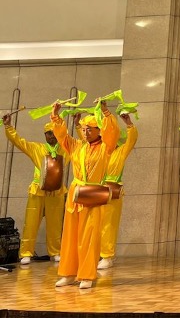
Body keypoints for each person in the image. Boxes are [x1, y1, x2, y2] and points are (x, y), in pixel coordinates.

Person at [51, 99, 118, 289]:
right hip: (76, 194)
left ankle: (87, 275)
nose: (86, 132)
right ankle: (68, 273)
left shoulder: (106, 148)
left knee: (89, 237)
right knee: (70, 236)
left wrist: (105, 112)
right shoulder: (77, 146)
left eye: (90, 129)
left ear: (98, 130)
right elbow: (62, 136)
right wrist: (56, 116)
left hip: (94, 194)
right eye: (84, 129)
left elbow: (112, 134)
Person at [2, 114, 68, 264]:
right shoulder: (36, 148)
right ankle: (26, 253)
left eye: (55, 133)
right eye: (49, 133)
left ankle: (55, 252)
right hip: (37, 190)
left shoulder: (65, 150)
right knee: (31, 223)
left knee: (55, 224)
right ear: (45, 135)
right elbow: (19, 142)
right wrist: (8, 127)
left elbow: (80, 144)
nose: (52, 136)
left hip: (56, 192)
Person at [97, 111, 138, 269]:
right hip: (95, 190)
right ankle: (95, 253)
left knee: (108, 224)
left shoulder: (120, 151)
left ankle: (107, 256)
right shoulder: (98, 150)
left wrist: (128, 124)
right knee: (94, 223)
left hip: (112, 190)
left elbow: (131, 141)